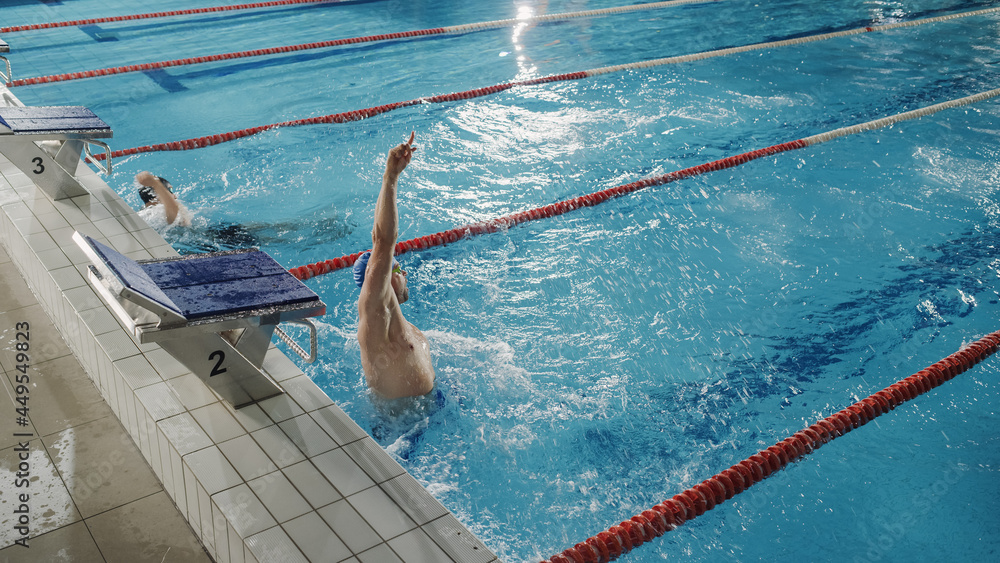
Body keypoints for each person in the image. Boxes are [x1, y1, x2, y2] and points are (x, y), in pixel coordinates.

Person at [355, 132, 435, 399]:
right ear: (382, 277)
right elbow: (383, 241)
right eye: (398, 270)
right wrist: (391, 176)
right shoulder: (375, 311)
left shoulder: (400, 324)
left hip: (426, 416)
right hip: (401, 432)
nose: (405, 274)